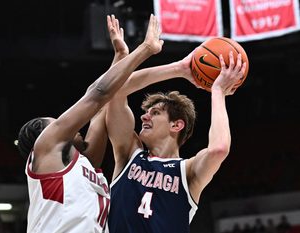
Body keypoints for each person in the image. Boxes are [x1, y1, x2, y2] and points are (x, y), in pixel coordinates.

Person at [16, 14, 163, 233]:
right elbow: (97, 95)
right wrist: (145, 49)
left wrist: (121, 57)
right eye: (58, 124)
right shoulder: (46, 147)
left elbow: (101, 109)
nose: (69, 126)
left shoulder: (80, 164)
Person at [104, 39, 247, 232]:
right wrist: (179, 68)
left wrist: (218, 92)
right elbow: (117, 89)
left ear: (176, 125)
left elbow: (219, 149)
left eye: (155, 112)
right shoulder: (129, 154)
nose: (144, 116)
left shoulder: (187, 172)